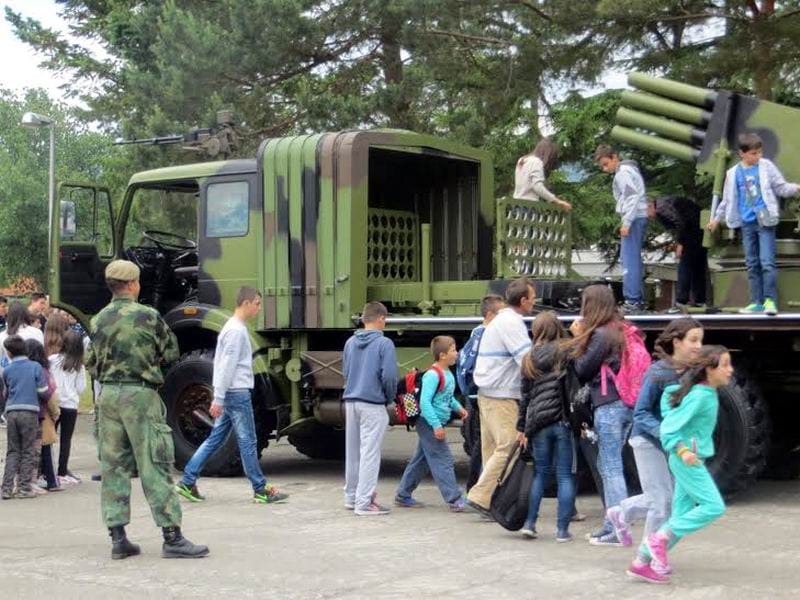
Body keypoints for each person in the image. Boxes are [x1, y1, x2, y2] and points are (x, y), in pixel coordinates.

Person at [86, 259, 208, 560]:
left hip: (109, 396)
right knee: (155, 463)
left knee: (113, 466)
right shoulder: (148, 316)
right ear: (132, 284)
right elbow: (170, 351)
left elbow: (90, 361)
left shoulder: (99, 320)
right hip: (140, 396)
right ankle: (172, 537)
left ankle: (118, 539)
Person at [606, 318, 703, 583]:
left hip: (671, 445)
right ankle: (645, 560)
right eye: (693, 340)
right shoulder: (658, 372)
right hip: (647, 441)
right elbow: (641, 413)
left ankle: (621, 511)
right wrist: (667, 434)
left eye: (700, 340)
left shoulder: (691, 373)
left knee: (665, 499)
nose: (699, 346)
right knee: (661, 502)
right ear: (676, 342)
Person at [176, 287, 288, 505]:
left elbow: (223, 366)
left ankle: (188, 480)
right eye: (257, 303)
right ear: (246, 303)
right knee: (248, 441)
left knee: (215, 438)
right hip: (237, 393)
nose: (258, 307)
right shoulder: (236, 331)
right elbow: (226, 367)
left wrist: (220, 396)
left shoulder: (232, 328)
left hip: (231, 392)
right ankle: (260, 488)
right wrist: (218, 398)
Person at [640, 345, 732, 583]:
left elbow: (671, 401)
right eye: (725, 364)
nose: (730, 370)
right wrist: (682, 450)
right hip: (687, 460)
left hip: (690, 458)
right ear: (709, 370)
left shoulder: (705, 392)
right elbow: (669, 427)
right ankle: (658, 538)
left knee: (680, 517)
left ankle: (641, 562)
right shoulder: (701, 396)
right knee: (714, 506)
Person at [707, 133, 800, 315]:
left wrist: (796, 188)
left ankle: (769, 301)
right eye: (754, 154)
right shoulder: (733, 174)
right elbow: (727, 200)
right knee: (752, 263)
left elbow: (781, 187)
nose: (757, 157)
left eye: (759, 153)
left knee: (767, 262)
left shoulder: (766, 167)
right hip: (746, 223)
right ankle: (756, 301)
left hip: (765, 221)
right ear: (742, 153)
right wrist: (716, 218)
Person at [465, 277, 535, 516]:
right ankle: (481, 495)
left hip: (487, 393)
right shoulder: (512, 323)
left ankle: (493, 500)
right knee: (509, 447)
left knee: (492, 449)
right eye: (533, 299)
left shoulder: (500, 320)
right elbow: (526, 361)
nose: (535, 303)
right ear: (523, 300)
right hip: (502, 395)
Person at [568, 284, 629, 545]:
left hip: (609, 404)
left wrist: (577, 337)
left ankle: (617, 529)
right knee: (609, 465)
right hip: (622, 402)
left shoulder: (601, 335)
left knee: (611, 468)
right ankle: (611, 524)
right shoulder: (618, 329)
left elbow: (582, 369)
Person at [517, 311, 576, 542]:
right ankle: (562, 531)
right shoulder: (565, 351)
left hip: (538, 423)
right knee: (564, 476)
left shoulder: (528, 358)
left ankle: (530, 523)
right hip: (562, 420)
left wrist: (521, 427)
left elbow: (525, 396)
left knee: (540, 474)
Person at [395, 336, 469, 511]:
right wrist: (436, 425)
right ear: (442, 355)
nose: (457, 353)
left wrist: (460, 409)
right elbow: (425, 403)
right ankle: (454, 498)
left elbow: (447, 398)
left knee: (421, 460)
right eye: (453, 350)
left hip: (434, 421)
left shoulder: (448, 374)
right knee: (443, 459)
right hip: (428, 422)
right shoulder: (432, 375)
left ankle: (403, 494)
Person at [342, 301, 398, 516]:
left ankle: (351, 496)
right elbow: (390, 376)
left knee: (353, 452)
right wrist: (388, 398)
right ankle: (364, 503)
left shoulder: (350, 342)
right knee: (370, 454)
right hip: (372, 402)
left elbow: (346, 372)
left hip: (351, 400)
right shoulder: (384, 344)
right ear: (381, 319)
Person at [457, 294, 504, 491]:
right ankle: (477, 487)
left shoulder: (476, 332)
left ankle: (475, 486)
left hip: (473, 394)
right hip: (484, 394)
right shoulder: (490, 334)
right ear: (491, 314)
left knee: (481, 442)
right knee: (484, 444)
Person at [595, 144, 649, 311]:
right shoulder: (629, 170)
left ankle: (632, 300)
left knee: (629, 259)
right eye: (602, 166)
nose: (605, 169)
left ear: (614, 157)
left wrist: (626, 222)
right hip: (638, 216)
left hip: (633, 218)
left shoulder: (622, 173)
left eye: (606, 163)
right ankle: (637, 298)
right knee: (634, 258)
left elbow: (631, 196)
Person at [1, 335, 51, 499]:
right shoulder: (35, 367)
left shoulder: (7, 370)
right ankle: (24, 488)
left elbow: (6, 393)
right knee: (28, 450)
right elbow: (43, 391)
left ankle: (6, 488)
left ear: (8, 353)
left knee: (13, 450)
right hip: (30, 412)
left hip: (12, 412)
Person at [648, 197, 707, 311]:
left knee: (685, 265)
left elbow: (680, 222)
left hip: (692, 229)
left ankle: (681, 300)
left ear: (650, 206)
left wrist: (681, 243)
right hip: (698, 227)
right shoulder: (664, 206)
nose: (647, 217)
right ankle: (700, 300)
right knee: (698, 266)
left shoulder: (662, 208)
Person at [49, 330, 86, 483]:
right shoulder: (79, 366)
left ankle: (45, 468)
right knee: (66, 439)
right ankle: (62, 471)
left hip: (55, 403)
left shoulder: (52, 360)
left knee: (49, 437)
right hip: (70, 405)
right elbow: (81, 388)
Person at [25, 339, 61, 493]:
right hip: (43, 414)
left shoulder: (22, 370)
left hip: (24, 413)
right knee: (46, 448)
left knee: (27, 449)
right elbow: (51, 395)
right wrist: (56, 413)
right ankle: (52, 481)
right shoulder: (44, 372)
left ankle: (28, 480)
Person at [514, 138, 572, 211]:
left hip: (516, 205)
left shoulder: (523, 160)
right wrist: (557, 201)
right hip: (528, 207)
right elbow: (537, 187)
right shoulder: (536, 162)